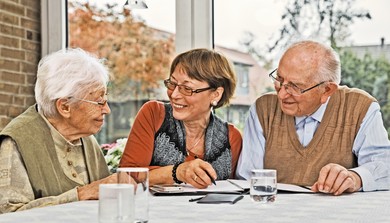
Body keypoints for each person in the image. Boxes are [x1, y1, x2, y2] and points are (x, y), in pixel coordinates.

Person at [236, 40, 390, 195]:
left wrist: (355, 177)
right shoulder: (262, 109)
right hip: (275, 213)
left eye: (295, 86)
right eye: (280, 79)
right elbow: (247, 178)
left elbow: (384, 166)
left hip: (336, 214)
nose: (281, 94)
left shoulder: (361, 107)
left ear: (327, 90)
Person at [0, 48, 117, 214]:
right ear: (64, 107)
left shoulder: (86, 138)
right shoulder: (16, 142)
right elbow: (8, 215)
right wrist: (81, 195)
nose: (107, 110)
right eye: (99, 102)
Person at [119, 48, 242, 188]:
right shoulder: (154, 114)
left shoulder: (232, 138)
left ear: (216, 94)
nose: (174, 94)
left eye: (187, 88)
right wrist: (177, 172)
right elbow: (127, 176)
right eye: (172, 84)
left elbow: (233, 189)